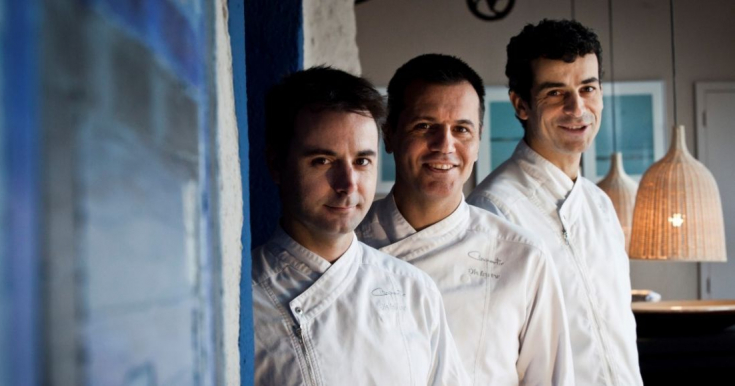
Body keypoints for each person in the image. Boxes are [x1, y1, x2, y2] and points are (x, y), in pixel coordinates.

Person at [357, 54, 573, 385]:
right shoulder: (347, 244)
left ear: (478, 138)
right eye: (424, 126)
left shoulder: (523, 256)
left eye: (461, 129)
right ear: (389, 134)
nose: (444, 146)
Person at [252, 66, 469, 385]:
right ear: (276, 165)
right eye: (322, 161)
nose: (348, 184)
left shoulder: (412, 289)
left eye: (362, 161)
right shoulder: (245, 298)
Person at [467, 19, 643, 385]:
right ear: (521, 105)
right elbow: (486, 360)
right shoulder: (492, 212)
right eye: (555, 92)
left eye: (588, 88)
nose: (577, 108)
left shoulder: (600, 206)